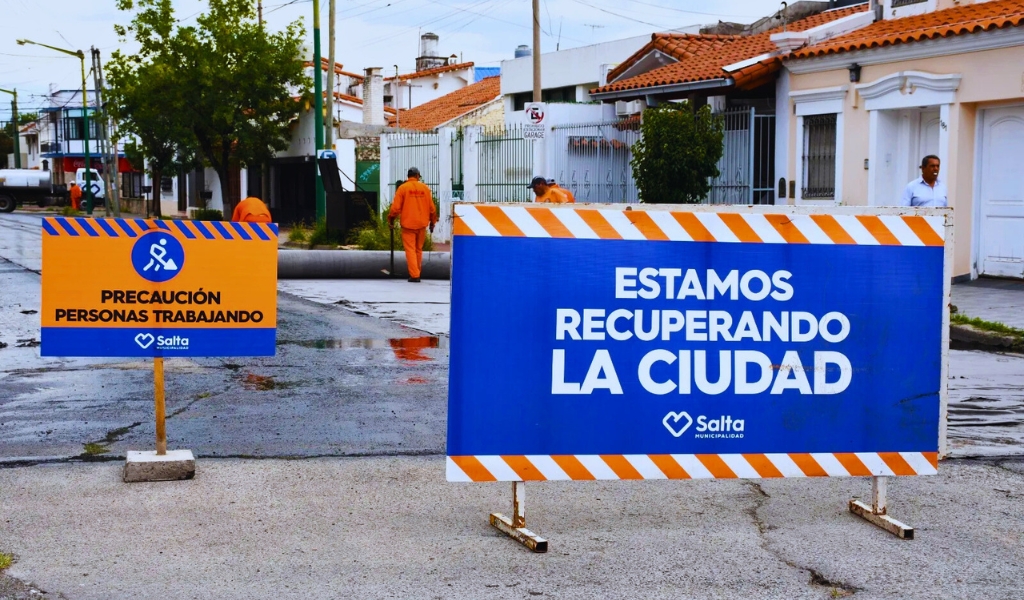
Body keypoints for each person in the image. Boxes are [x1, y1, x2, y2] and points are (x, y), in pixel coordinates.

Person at [388, 167, 437, 283]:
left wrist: (391, 219)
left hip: (408, 224)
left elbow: (395, 208)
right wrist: (432, 222)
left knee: (410, 250)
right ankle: (417, 272)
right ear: (417, 175)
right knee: (418, 249)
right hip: (422, 224)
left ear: (408, 176)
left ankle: (415, 275)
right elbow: (432, 209)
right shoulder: (425, 188)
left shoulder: (403, 188)